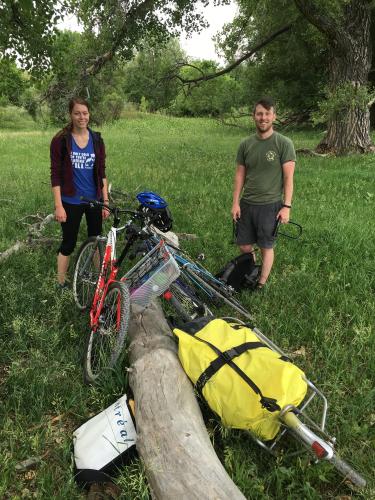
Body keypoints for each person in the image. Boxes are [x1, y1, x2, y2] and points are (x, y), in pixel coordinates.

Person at [231, 97, 296, 289]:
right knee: (244, 245)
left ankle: (260, 282)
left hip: (270, 205)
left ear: (274, 116)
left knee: (266, 246)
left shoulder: (284, 143)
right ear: (253, 116)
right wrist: (235, 202)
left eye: (267, 113)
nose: (263, 117)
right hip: (247, 203)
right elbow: (240, 176)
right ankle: (250, 269)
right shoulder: (245, 144)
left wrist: (287, 206)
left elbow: (288, 179)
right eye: (259, 113)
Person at [50, 97, 110, 288]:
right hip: (70, 201)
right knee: (68, 242)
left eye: (85, 113)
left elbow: (102, 172)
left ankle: (98, 280)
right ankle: (60, 282)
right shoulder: (61, 140)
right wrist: (59, 205)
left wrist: (105, 201)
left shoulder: (97, 140)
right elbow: (56, 175)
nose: (81, 117)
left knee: (96, 240)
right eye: (77, 113)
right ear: (71, 114)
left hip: (94, 200)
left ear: (89, 114)